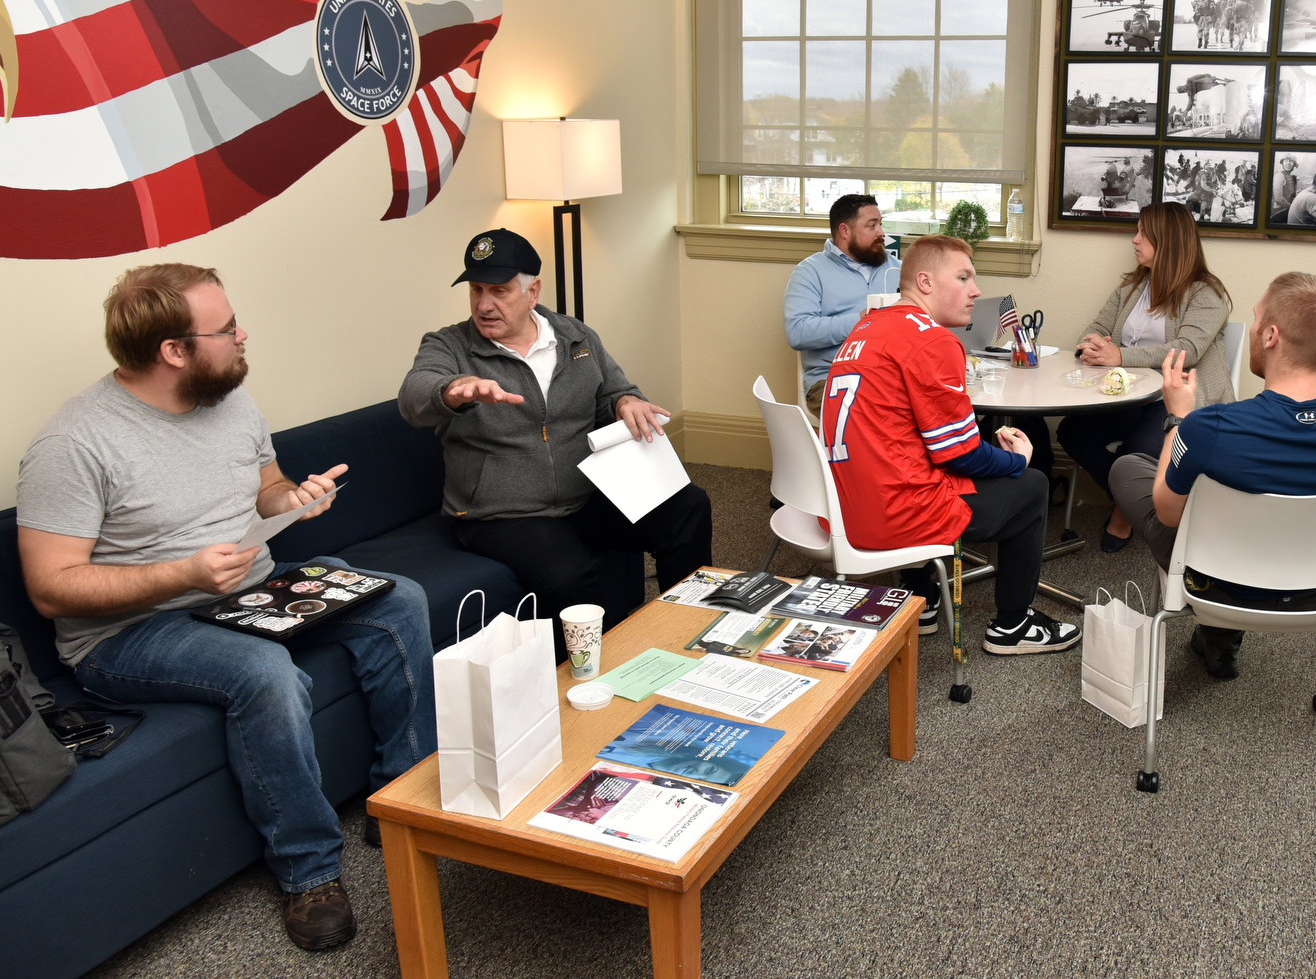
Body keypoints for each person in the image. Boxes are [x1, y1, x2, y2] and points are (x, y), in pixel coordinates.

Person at [16, 264, 436, 952]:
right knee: (266, 672)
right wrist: (182, 572)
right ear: (172, 351)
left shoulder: (230, 397)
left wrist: (294, 500)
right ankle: (310, 872)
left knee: (399, 601)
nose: (243, 336)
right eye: (226, 328)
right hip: (129, 635)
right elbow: (51, 586)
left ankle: (400, 797)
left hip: (247, 591)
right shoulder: (74, 443)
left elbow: (264, 489)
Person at [399, 229, 712, 638]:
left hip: (583, 497)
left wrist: (626, 403)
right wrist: (451, 391)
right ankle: (590, 683)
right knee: (570, 575)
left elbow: (615, 388)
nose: (484, 304)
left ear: (532, 292)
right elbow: (413, 395)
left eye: (499, 290)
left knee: (688, 507)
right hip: (503, 514)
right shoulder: (451, 346)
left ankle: (687, 630)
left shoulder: (574, 337)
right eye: (476, 290)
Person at [1109, 272, 1316, 680]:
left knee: (1131, 469)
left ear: (1271, 336)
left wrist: (1177, 419)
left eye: (1254, 320)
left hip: (1221, 588)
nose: (1250, 330)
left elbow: (1167, 514)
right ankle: (1219, 641)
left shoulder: (1209, 426)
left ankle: (1219, 631)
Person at [821, 235, 1081, 655]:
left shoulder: (868, 324)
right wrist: (1015, 461)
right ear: (924, 282)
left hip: (841, 504)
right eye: (963, 277)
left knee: (924, 461)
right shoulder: (933, 340)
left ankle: (920, 602)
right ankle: (1012, 627)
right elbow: (957, 453)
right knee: (1031, 485)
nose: (976, 291)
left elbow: (917, 437)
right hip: (890, 516)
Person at [1059, 203, 1233, 554]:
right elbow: (1098, 326)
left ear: (1168, 241)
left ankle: (1123, 515)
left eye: (1143, 233)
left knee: (1134, 454)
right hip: (1128, 395)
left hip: (1175, 399)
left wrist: (1120, 355)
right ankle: (1138, 503)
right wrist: (1094, 344)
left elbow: (1186, 350)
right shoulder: (1132, 288)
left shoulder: (1206, 294)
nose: (1134, 240)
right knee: (1071, 432)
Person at [783, 193, 901, 418]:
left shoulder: (898, 269)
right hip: (834, 379)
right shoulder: (809, 272)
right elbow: (797, 332)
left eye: (881, 224)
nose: (882, 233)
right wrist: (861, 320)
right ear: (845, 231)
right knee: (879, 420)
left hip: (894, 377)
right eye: (872, 226)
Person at [1269, 155, 1301, 221]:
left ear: (1294, 164)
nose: (1288, 163)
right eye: (1286, 161)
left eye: (1291, 161)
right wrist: (1293, 209)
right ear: (1282, 163)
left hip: (1288, 210)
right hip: (1278, 212)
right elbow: (1278, 199)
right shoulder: (1279, 176)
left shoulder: (1292, 177)